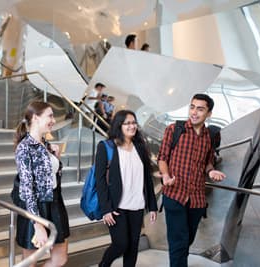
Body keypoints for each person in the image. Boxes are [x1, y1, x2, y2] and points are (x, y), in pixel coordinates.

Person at [157, 94, 226, 267]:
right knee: (178, 241)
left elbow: (208, 162)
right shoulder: (174, 130)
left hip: (196, 199)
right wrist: (165, 175)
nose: (194, 112)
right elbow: (162, 158)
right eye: (192, 107)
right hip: (174, 195)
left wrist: (211, 172)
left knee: (187, 240)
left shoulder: (210, 137)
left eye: (200, 109)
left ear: (208, 113)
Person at [96, 110, 158, 267]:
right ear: (119, 125)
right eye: (127, 123)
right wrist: (106, 209)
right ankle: (104, 264)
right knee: (121, 244)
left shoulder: (140, 147)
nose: (132, 126)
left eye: (134, 122)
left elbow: (147, 178)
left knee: (133, 247)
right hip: (117, 207)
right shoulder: (106, 147)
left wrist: (152, 206)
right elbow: (100, 180)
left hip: (137, 205)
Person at [14, 101, 70, 267]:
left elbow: (50, 177)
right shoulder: (25, 148)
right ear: (36, 118)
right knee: (29, 262)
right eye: (50, 116)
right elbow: (27, 188)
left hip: (55, 203)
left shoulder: (45, 145)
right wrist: (37, 223)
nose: (53, 120)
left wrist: (56, 158)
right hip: (35, 208)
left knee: (60, 258)